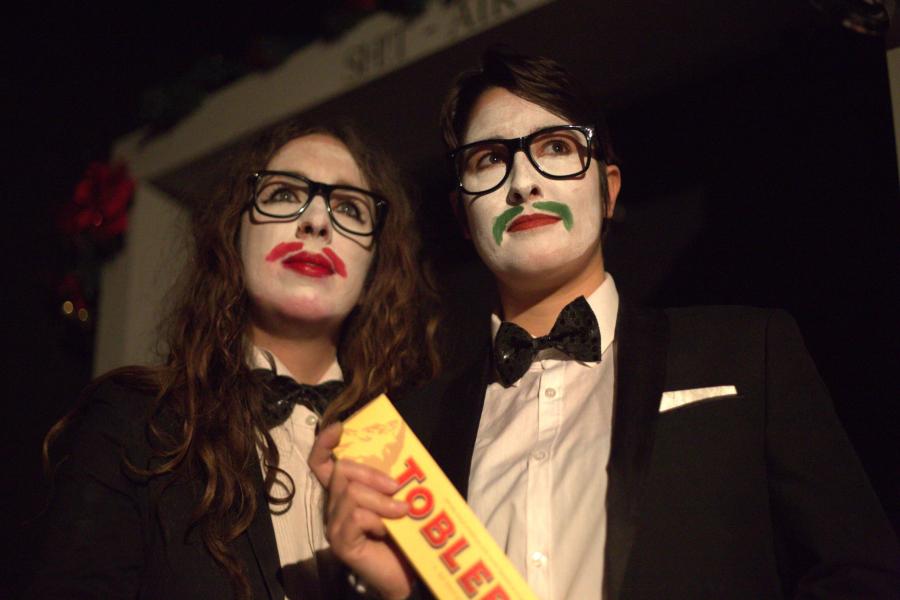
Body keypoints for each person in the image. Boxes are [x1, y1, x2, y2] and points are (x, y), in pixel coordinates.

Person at [310, 48, 900, 599]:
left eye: (556, 147)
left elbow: (862, 572)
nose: (523, 183)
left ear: (608, 188)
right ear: (463, 217)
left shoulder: (748, 350)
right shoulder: (412, 435)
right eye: (490, 159)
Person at [29, 120, 439, 600]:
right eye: (285, 194)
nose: (316, 222)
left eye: (349, 207)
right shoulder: (135, 422)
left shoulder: (423, 447)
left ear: (377, 264)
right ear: (233, 234)